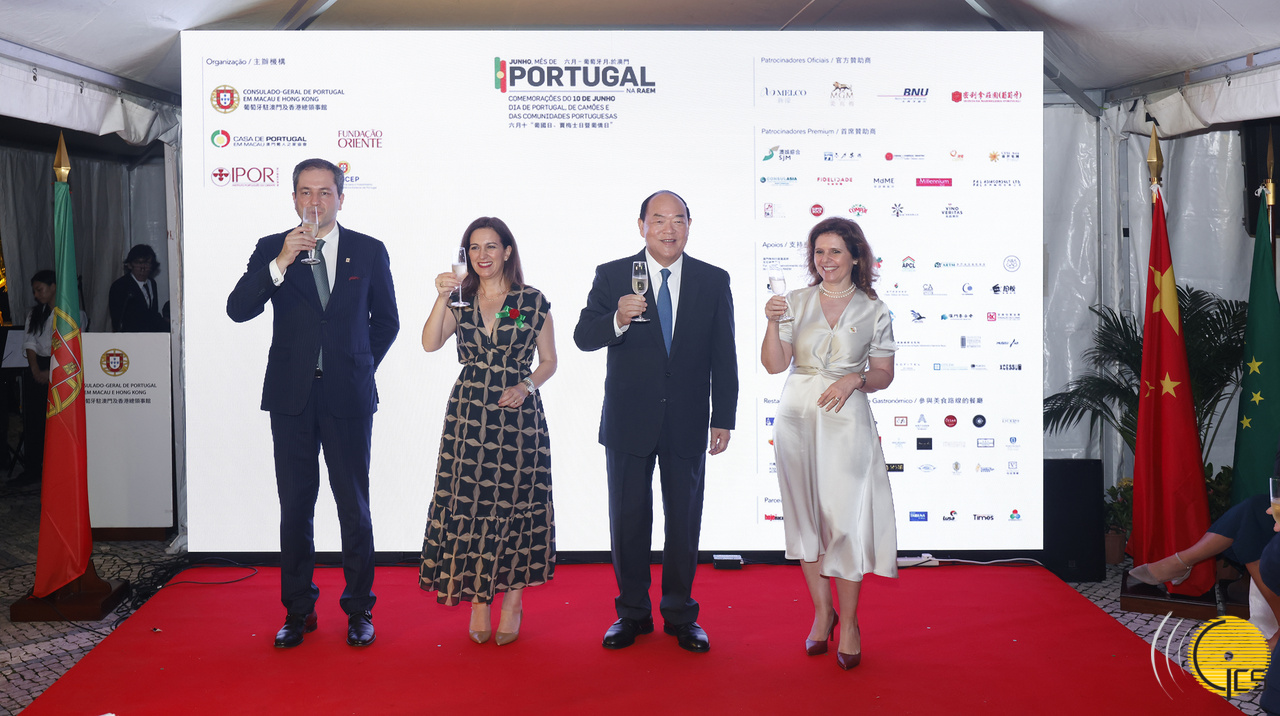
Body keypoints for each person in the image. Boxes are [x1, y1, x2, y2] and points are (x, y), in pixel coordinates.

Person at [226, 158, 399, 649]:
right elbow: (238, 309)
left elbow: (387, 322)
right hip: (291, 398)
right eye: (306, 192)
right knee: (296, 506)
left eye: (325, 192)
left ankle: (359, 609)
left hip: (348, 396)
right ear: (293, 198)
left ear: (341, 198)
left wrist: (356, 364)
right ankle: (298, 610)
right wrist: (281, 262)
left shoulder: (368, 250)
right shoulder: (272, 248)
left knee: (354, 507)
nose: (315, 202)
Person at [574, 190, 738, 653]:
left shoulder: (712, 279)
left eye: (678, 220)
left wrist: (723, 416)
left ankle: (681, 614)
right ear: (641, 225)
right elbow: (584, 336)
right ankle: (632, 613)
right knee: (628, 519)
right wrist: (617, 319)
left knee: (683, 521)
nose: (669, 229)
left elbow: (724, 353)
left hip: (688, 419)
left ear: (689, 225)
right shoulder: (613, 275)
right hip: (629, 421)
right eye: (659, 219)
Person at [760, 216, 898, 670]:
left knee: (844, 522)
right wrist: (771, 323)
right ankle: (823, 614)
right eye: (819, 252)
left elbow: (883, 374)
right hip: (796, 418)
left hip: (846, 422)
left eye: (835, 251)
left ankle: (851, 622)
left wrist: (855, 379)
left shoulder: (874, 309)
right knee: (805, 521)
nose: (826, 260)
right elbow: (774, 365)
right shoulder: (795, 302)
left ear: (856, 257)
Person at [419, 217, 557, 646]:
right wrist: (442, 296)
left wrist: (525, 386)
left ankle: (512, 602)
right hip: (469, 417)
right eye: (474, 248)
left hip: (518, 419)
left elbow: (549, 361)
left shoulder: (530, 300)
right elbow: (429, 343)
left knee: (516, 504)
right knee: (471, 502)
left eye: (491, 246)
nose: (483, 255)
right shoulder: (461, 300)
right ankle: (479, 601)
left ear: (507, 251)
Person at [16, 271, 58, 487]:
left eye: (40, 290)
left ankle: (57, 468)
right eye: (34, 291)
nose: (36, 295)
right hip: (38, 366)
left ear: (53, 287)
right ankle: (33, 468)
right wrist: (35, 370)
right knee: (34, 420)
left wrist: (51, 373)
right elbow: (30, 343)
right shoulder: (35, 314)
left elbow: (69, 347)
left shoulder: (72, 312)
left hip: (60, 368)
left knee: (56, 422)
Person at [108, 244, 167, 332]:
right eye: (138, 263)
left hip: (151, 337)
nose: (142, 268)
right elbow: (118, 320)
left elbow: (153, 315)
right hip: (129, 337)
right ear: (130, 265)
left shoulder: (152, 283)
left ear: (152, 266)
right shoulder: (119, 286)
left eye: (147, 263)